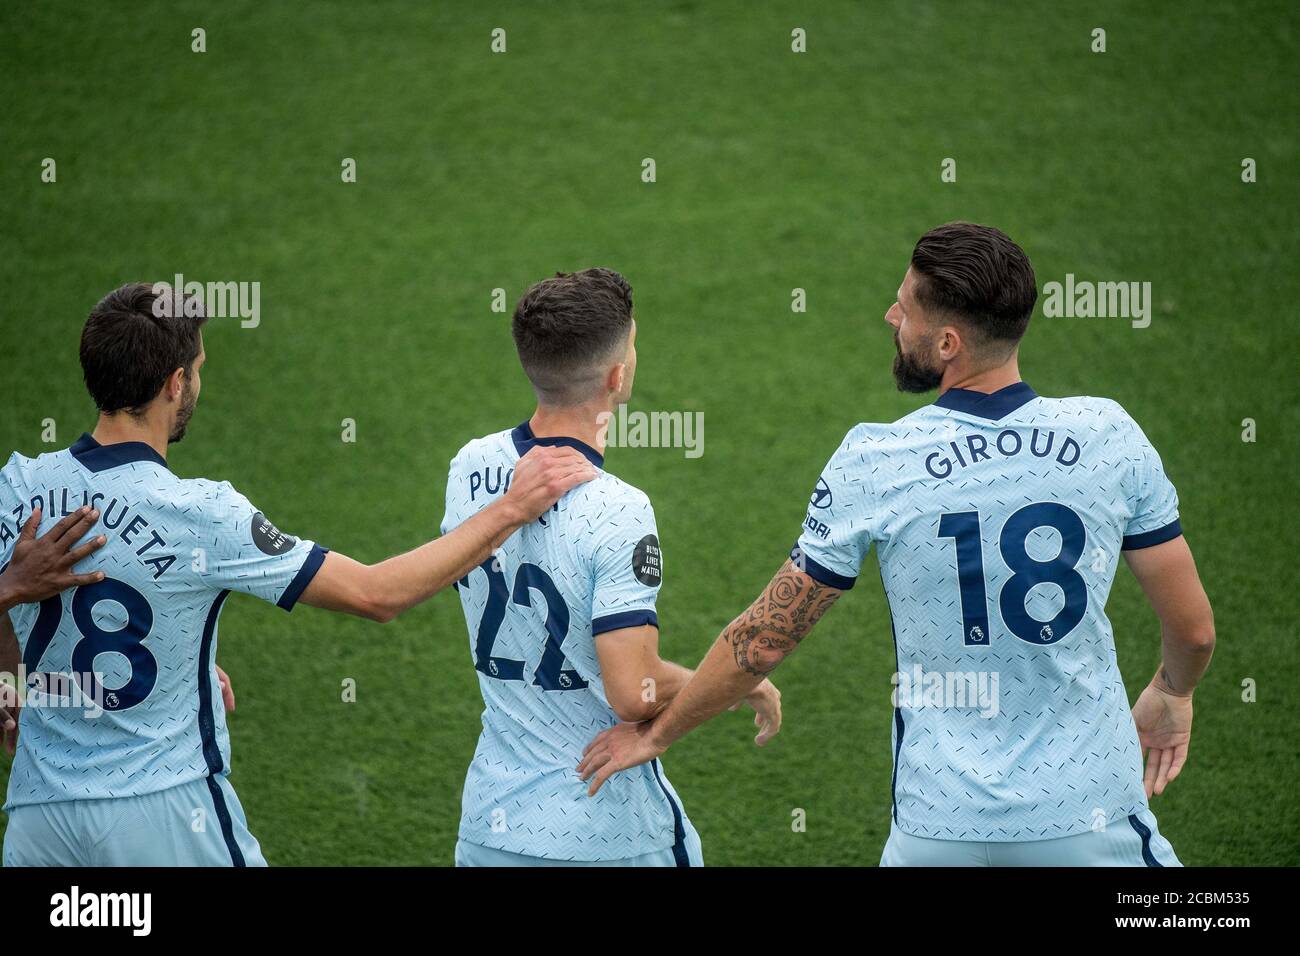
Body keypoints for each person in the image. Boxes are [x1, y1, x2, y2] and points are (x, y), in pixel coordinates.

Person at [579, 223, 1215, 867]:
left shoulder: (876, 460)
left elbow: (765, 638)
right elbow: (1193, 633)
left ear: (947, 342)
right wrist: (1171, 692)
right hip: (1089, 818)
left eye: (905, 308)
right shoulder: (1109, 435)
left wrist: (658, 734)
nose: (891, 316)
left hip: (939, 830)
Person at [0, 282, 594, 866]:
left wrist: (16, 674)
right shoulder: (201, 513)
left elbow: (32, 613)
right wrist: (511, 507)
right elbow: (376, 594)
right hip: (164, 815)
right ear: (175, 382)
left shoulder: (18, 487)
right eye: (198, 368)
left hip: (38, 818)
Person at [444, 268, 780, 866]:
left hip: (491, 825)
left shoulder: (470, 467)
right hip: (607, 832)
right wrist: (734, 683)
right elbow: (634, 691)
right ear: (618, 375)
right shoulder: (618, 509)